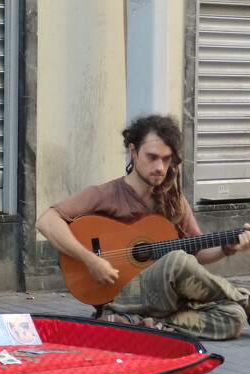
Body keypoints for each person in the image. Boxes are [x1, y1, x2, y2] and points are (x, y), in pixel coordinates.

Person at [35, 114, 250, 340]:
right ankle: (244, 298)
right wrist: (92, 260)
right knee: (176, 259)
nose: (160, 167)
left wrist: (228, 248)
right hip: (123, 296)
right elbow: (46, 221)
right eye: (152, 157)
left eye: (166, 159)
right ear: (133, 151)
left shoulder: (173, 199)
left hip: (167, 300)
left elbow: (197, 253)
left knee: (233, 317)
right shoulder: (106, 194)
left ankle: (131, 324)